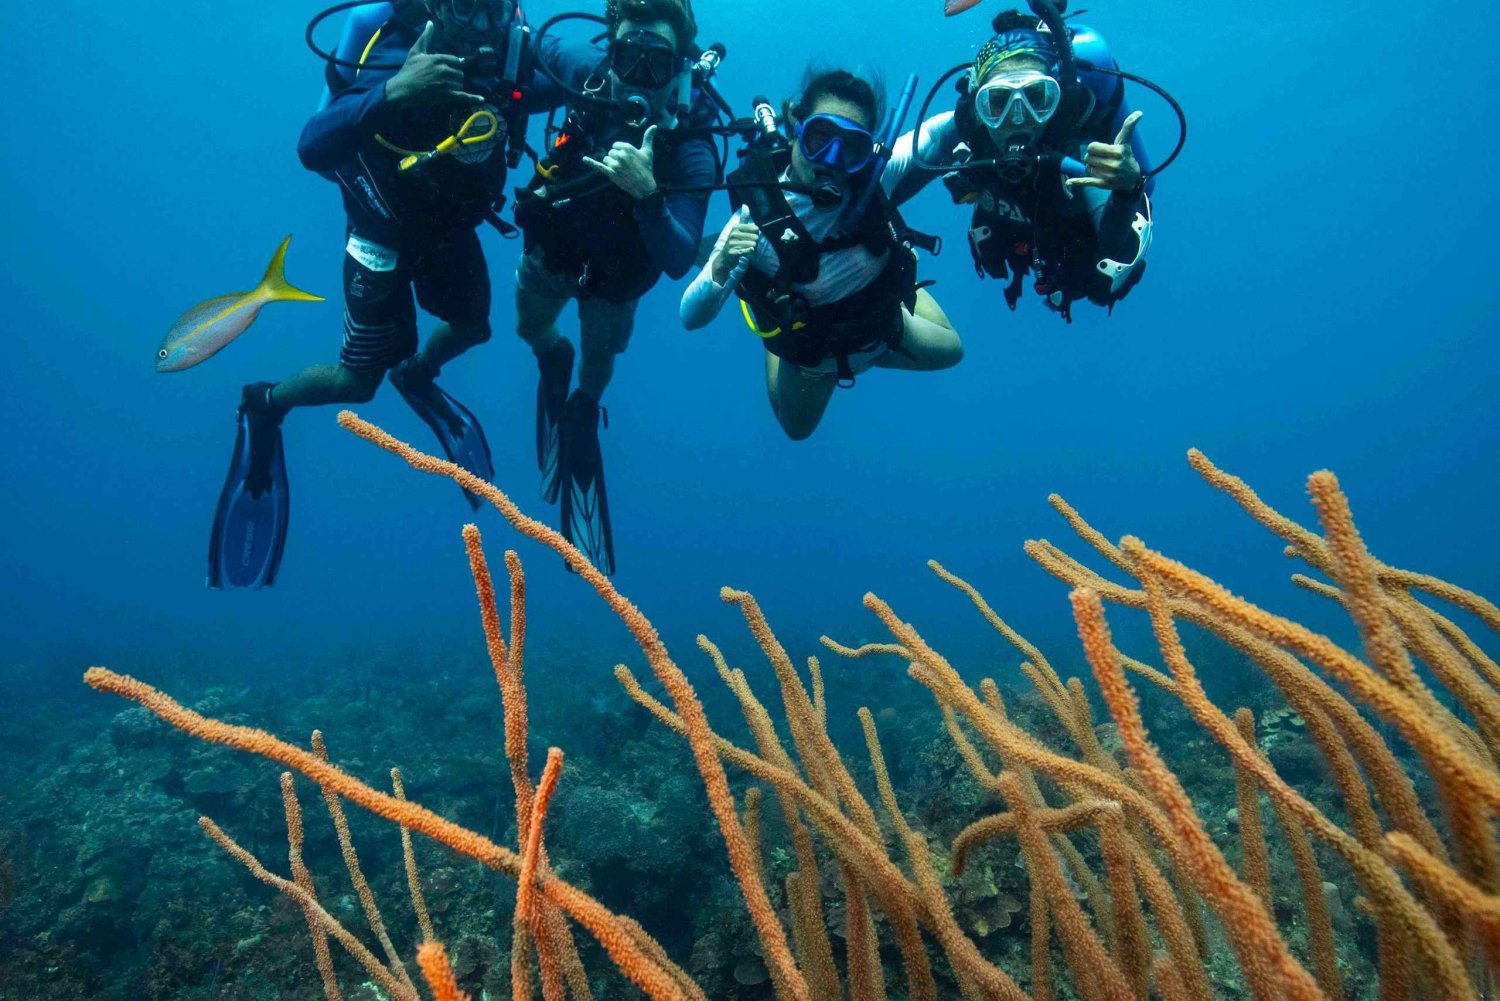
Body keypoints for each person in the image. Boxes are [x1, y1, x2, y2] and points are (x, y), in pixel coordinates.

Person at [208, 0, 557, 589]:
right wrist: (394, 91)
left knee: (473, 328)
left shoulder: (513, 51)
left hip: (448, 230)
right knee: (355, 383)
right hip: (381, 236)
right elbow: (312, 146)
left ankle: (415, 374)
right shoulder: (390, 43)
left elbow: (577, 78)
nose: (479, 18)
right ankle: (263, 404)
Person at [512, 0, 718, 575]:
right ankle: (553, 357)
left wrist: (649, 193)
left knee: (599, 359)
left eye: (658, 62)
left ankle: (584, 407)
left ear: (680, 64)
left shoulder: (694, 143)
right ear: (610, 48)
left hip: (618, 282)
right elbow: (529, 43)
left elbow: (680, 258)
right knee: (530, 326)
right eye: (629, 56)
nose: (640, 78)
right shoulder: (586, 74)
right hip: (552, 250)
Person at [680, 69, 962, 441]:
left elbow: (943, 129)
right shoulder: (755, 219)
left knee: (953, 350)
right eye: (820, 138)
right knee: (796, 428)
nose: (831, 160)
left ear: (868, 151)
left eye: (851, 148)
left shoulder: (877, 179)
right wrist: (722, 266)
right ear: (797, 127)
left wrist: (990, 87)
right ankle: (772, 337)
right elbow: (691, 315)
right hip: (815, 361)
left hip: (883, 330)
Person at [886, 8, 1156, 322]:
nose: (1017, 118)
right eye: (998, 102)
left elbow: (1111, 251)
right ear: (978, 106)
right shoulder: (967, 127)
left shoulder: (1084, 152)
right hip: (1015, 244)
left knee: (1099, 286)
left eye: (1036, 97)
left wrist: (1126, 190)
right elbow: (887, 168)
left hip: (1076, 249)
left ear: (1057, 100)